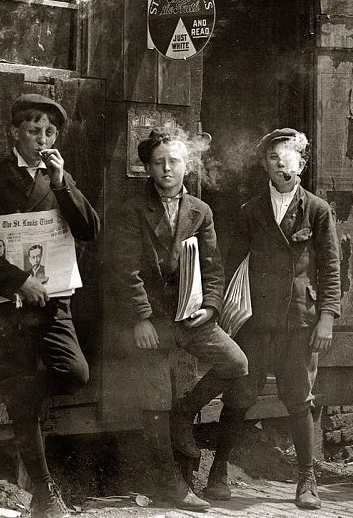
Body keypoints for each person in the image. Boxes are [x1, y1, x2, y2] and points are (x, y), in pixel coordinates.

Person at [0, 93, 100, 518]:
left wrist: (62, 184)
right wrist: (20, 282)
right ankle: (45, 493)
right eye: (33, 131)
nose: (42, 139)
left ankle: (2, 386)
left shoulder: (58, 178)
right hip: (8, 308)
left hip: (53, 304)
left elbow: (89, 230)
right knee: (26, 407)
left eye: (50, 132)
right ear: (14, 133)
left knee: (73, 373)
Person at [108, 128, 248, 512]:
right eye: (158, 162)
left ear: (188, 165)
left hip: (191, 317)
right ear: (149, 169)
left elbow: (213, 268)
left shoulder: (201, 211)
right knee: (155, 396)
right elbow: (125, 271)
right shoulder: (132, 210)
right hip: (152, 321)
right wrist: (141, 319)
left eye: (174, 161)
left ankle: (185, 411)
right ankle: (170, 483)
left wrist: (212, 308)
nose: (167, 168)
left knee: (236, 363)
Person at [205, 128, 340, 510]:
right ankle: (218, 471)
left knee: (299, 399)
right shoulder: (251, 212)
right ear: (265, 165)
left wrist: (327, 317)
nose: (282, 164)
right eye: (273, 158)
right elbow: (230, 266)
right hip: (257, 322)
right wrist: (221, 311)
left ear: (303, 162)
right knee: (241, 395)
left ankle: (307, 480)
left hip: (299, 321)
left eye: (289, 156)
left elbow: (330, 269)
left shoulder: (317, 210)